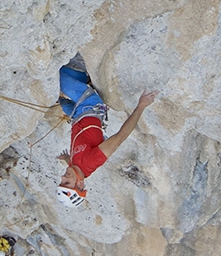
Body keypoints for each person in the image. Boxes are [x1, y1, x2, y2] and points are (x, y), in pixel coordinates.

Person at [56, 53, 157, 207]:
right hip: (90, 105)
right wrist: (141, 105)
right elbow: (121, 136)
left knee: (60, 101)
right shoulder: (92, 161)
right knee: (59, 79)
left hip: (76, 115)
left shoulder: (74, 168)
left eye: (62, 181)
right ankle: (83, 67)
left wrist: (66, 158)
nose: (64, 177)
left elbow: (74, 162)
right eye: (67, 182)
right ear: (81, 184)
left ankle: (79, 79)